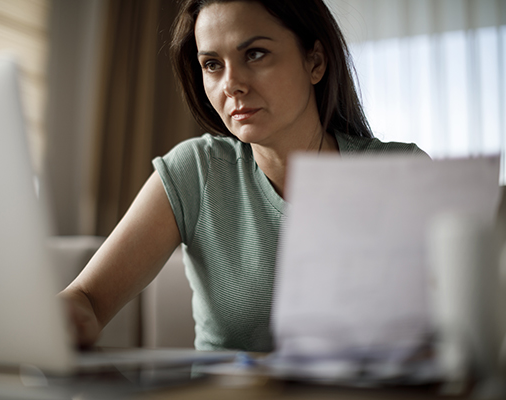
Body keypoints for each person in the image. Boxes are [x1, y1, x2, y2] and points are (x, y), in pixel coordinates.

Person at [59, 0, 427, 352]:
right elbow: (88, 299)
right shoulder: (196, 171)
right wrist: (64, 317)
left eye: (255, 54)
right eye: (212, 64)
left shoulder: (401, 171)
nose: (231, 84)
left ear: (314, 61)